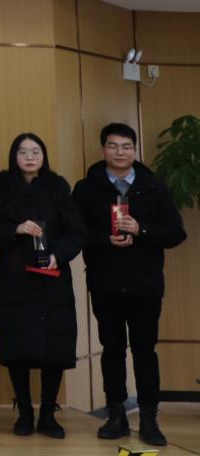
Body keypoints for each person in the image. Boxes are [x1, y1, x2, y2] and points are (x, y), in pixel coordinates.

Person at [72, 122, 187, 447]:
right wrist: (104, 239)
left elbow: (176, 233)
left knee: (144, 351)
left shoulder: (154, 187)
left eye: (126, 146)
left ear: (135, 150)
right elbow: (75, 232)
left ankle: (149, 418)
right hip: (105, 282)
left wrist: (141, 230)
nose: (119, 152)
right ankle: (116, 415)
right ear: (103, 149)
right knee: (111, 350)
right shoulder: (86, 189)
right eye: (113, 146)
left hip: (145, 284)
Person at [0, 132, 84, 439]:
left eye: (35, 151)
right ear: (14, 156)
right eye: (23, 152)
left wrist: (57, 255)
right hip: (16, 279)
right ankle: (24, 412)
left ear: (43, 155)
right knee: (18, 344)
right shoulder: (3, 186)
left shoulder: (58, 186)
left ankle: (48, 414)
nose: (29, 157)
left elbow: (77, 231)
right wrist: (16, 228)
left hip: (52, 276)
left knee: (55, 345)